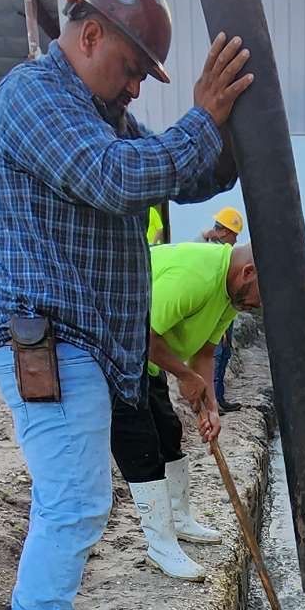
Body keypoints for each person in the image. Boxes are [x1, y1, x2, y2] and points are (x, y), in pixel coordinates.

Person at [0, 0, 252, 610]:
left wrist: (233, 134)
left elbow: (182, 166)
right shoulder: (35, 98)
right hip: (47, 340)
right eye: (133, 69)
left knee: (65, 500)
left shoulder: (94, 111)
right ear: (90, 33)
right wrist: (202, 117)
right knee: (75, 504)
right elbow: (117, 178)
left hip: (80, 344)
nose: (135, 89)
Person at [111, 241, 261, 579]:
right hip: (115, 354)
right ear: (247, 273)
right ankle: (161, 545)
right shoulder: (196, 276)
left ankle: (179, 519)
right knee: (141, 444)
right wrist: (183, 375)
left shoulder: (230, 296)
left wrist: (209, 406)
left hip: (145, 361)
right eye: (259, 298)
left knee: (168, 431)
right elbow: (141, 332)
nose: (256, 307)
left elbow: (205, 352)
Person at [199, 207, 246, 408]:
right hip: (215, 312)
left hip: (225, 311)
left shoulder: (223, 252)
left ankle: (219, 399)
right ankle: (214, 402)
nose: (236, 240)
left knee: (223, 354)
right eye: (234, 235)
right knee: (217, 355)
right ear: (226, 232)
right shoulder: (212, 253)